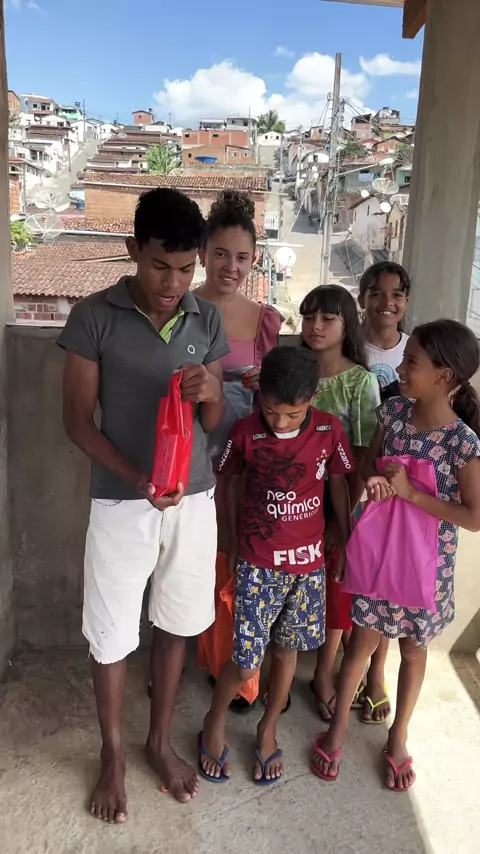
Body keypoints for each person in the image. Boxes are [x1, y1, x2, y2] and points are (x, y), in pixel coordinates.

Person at [58, 188, 229, 819]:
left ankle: (157, 740)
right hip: (121, 500)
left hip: (194, 498)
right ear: (133, 250)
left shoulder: (205, 319)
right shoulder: (93, 317)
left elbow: (213, 423)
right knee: (111, 633)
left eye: (186, 269)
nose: (173, 284)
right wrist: (136, 478)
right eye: (160, 266)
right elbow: (78, 422)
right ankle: (112, 753)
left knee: (177, 621)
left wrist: (213, 391)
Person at [311, 319, 480, 790]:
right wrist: (373, 486)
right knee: (360, 645)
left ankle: (398, 737)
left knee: (413, 651)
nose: (400, 369)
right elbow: (366, 469)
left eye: (412, 362)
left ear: (443, 377)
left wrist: (410, 494)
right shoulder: (392, 414)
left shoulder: (463, 443)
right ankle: (338, 729)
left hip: (426, 570)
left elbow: (473, 517)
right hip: (380, 556)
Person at [198, 346, 353, 785]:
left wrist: (344, 535)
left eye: (292, 414)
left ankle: (268, 729)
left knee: (288, 651)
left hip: (308, 567)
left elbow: (339, 482)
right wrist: (231, 540)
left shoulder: (328, 430)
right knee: (247, 663)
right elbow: (229, 482)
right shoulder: (245, 432)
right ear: (259, 396)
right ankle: (214, 720)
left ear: (313, 399)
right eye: (271, 411)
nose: (280, 422)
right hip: (257, 564)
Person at [196, 190, 283, 713]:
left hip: (246, 459)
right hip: (191, 454)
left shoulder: (264, 319)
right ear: (203, 252)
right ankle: (197, 656)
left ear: (255, 259)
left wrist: (259, 385)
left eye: (243, 257)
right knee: (193, 557)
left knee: (238, 559)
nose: (231, 266)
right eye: (221, 254)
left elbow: (280, 400)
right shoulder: (182, 306)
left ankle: (236, 672)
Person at [300, 285, 388, 724]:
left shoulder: (359, 382)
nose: (315, 326)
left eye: (327, 319)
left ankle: (322, 672)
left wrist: (343, 518)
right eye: (308, 317)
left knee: (336, 589)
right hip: (290, 502)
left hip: (339, 502)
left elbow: (362, 458)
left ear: (346, 324)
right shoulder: (295, 372)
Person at [358, 261, 411, 401]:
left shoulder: (415, 351)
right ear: (362, 301)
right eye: (377, 294)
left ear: (406, 302)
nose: (387, 302)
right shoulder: (345, 346)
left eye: (397, 295)